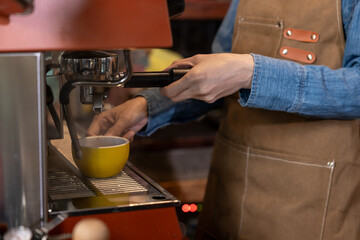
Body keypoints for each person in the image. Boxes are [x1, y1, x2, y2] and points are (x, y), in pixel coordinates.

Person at [87, 0, 360, 239]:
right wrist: (147, 106)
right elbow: (214, 79)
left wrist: (251, 73)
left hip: (311, 206)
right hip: (228, 193)